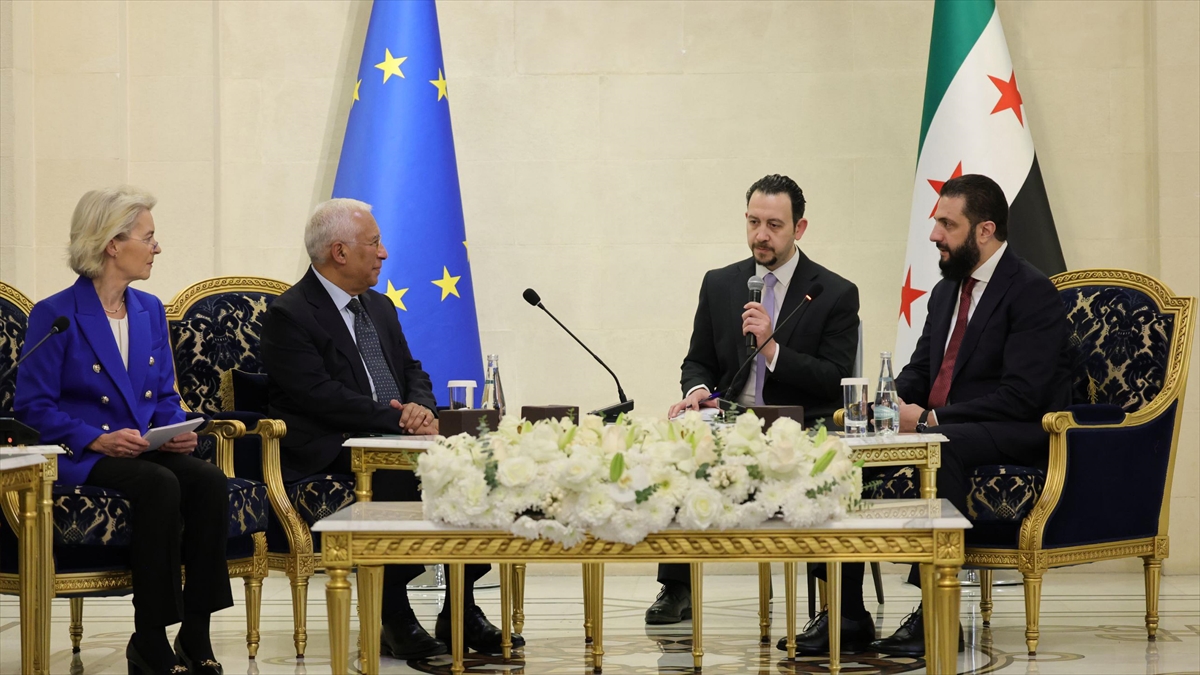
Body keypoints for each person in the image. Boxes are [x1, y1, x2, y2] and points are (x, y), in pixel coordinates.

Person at [784, 174, 1074, 657]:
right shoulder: (945, 292)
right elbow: (920, 373)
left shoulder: (1031, 291)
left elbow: (1022, 396)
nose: (935, 234)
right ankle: (846, 611)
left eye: (947, 224)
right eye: (936, 222)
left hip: (1012, 429)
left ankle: (937, 609)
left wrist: (929, 422)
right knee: (838, 449)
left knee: (941, 449)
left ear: (985, 230)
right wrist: (883, 408)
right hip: (946, 425)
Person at [261, 198, 517, 660]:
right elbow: (319, 395)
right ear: (340, 252)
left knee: (476, 467)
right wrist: (399, 418)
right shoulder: (291, 314)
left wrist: (420, 408)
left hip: (394, 433)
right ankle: (393, 615)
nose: (383, 253)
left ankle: (460, 607)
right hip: (331, 445)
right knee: (402, 474)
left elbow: (412, 370)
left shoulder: (377, 306)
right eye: (374, 243)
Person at [15, 187, 232, 675]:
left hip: (138, 446)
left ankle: (196, 634)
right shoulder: (55, 314)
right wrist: (95, 438)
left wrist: (174, 430)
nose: (157, 247)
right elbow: (31, 408)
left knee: (207, 480)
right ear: (113, 243)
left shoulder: (149, 309)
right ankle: (149, 638)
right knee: (159, 483)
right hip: (81, 454)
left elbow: (163, 394)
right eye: (148, 237)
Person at [650, 174, 861, 625]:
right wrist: (698, 392)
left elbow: (834, 379)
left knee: (831, 462)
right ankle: (676, 586)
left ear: (799, 228)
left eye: (774, 225)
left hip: (801, 425)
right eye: (753, 222)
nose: (761, 235)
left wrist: (773, 349)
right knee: (680, 447)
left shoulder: (834, 292)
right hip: (730, 419)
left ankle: (842, 606)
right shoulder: (720, 283)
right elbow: (698, 361)